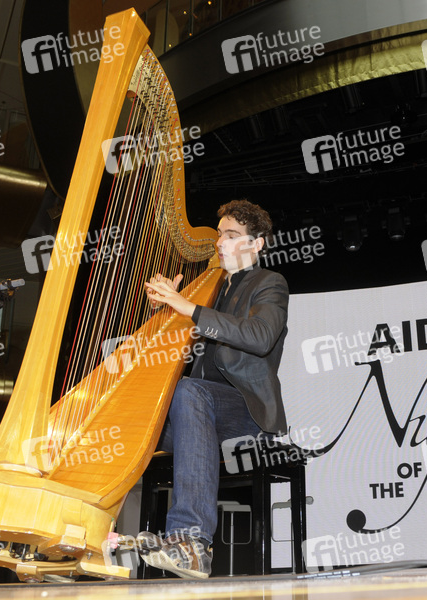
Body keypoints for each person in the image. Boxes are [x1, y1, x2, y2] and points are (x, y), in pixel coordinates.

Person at [139, 199, 289, 579]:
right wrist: (164, 309)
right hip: (196, 416)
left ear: (257, 243)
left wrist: (187, 308)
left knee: (190, 392)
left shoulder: (269, 284)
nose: (220, 242)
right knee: (132, 418)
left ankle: (190, 544)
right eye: (220, 234)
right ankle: (77, 532)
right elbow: (172, 351)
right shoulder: (210, 289)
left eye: (232, 235)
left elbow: (260, 337)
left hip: (246, 411)